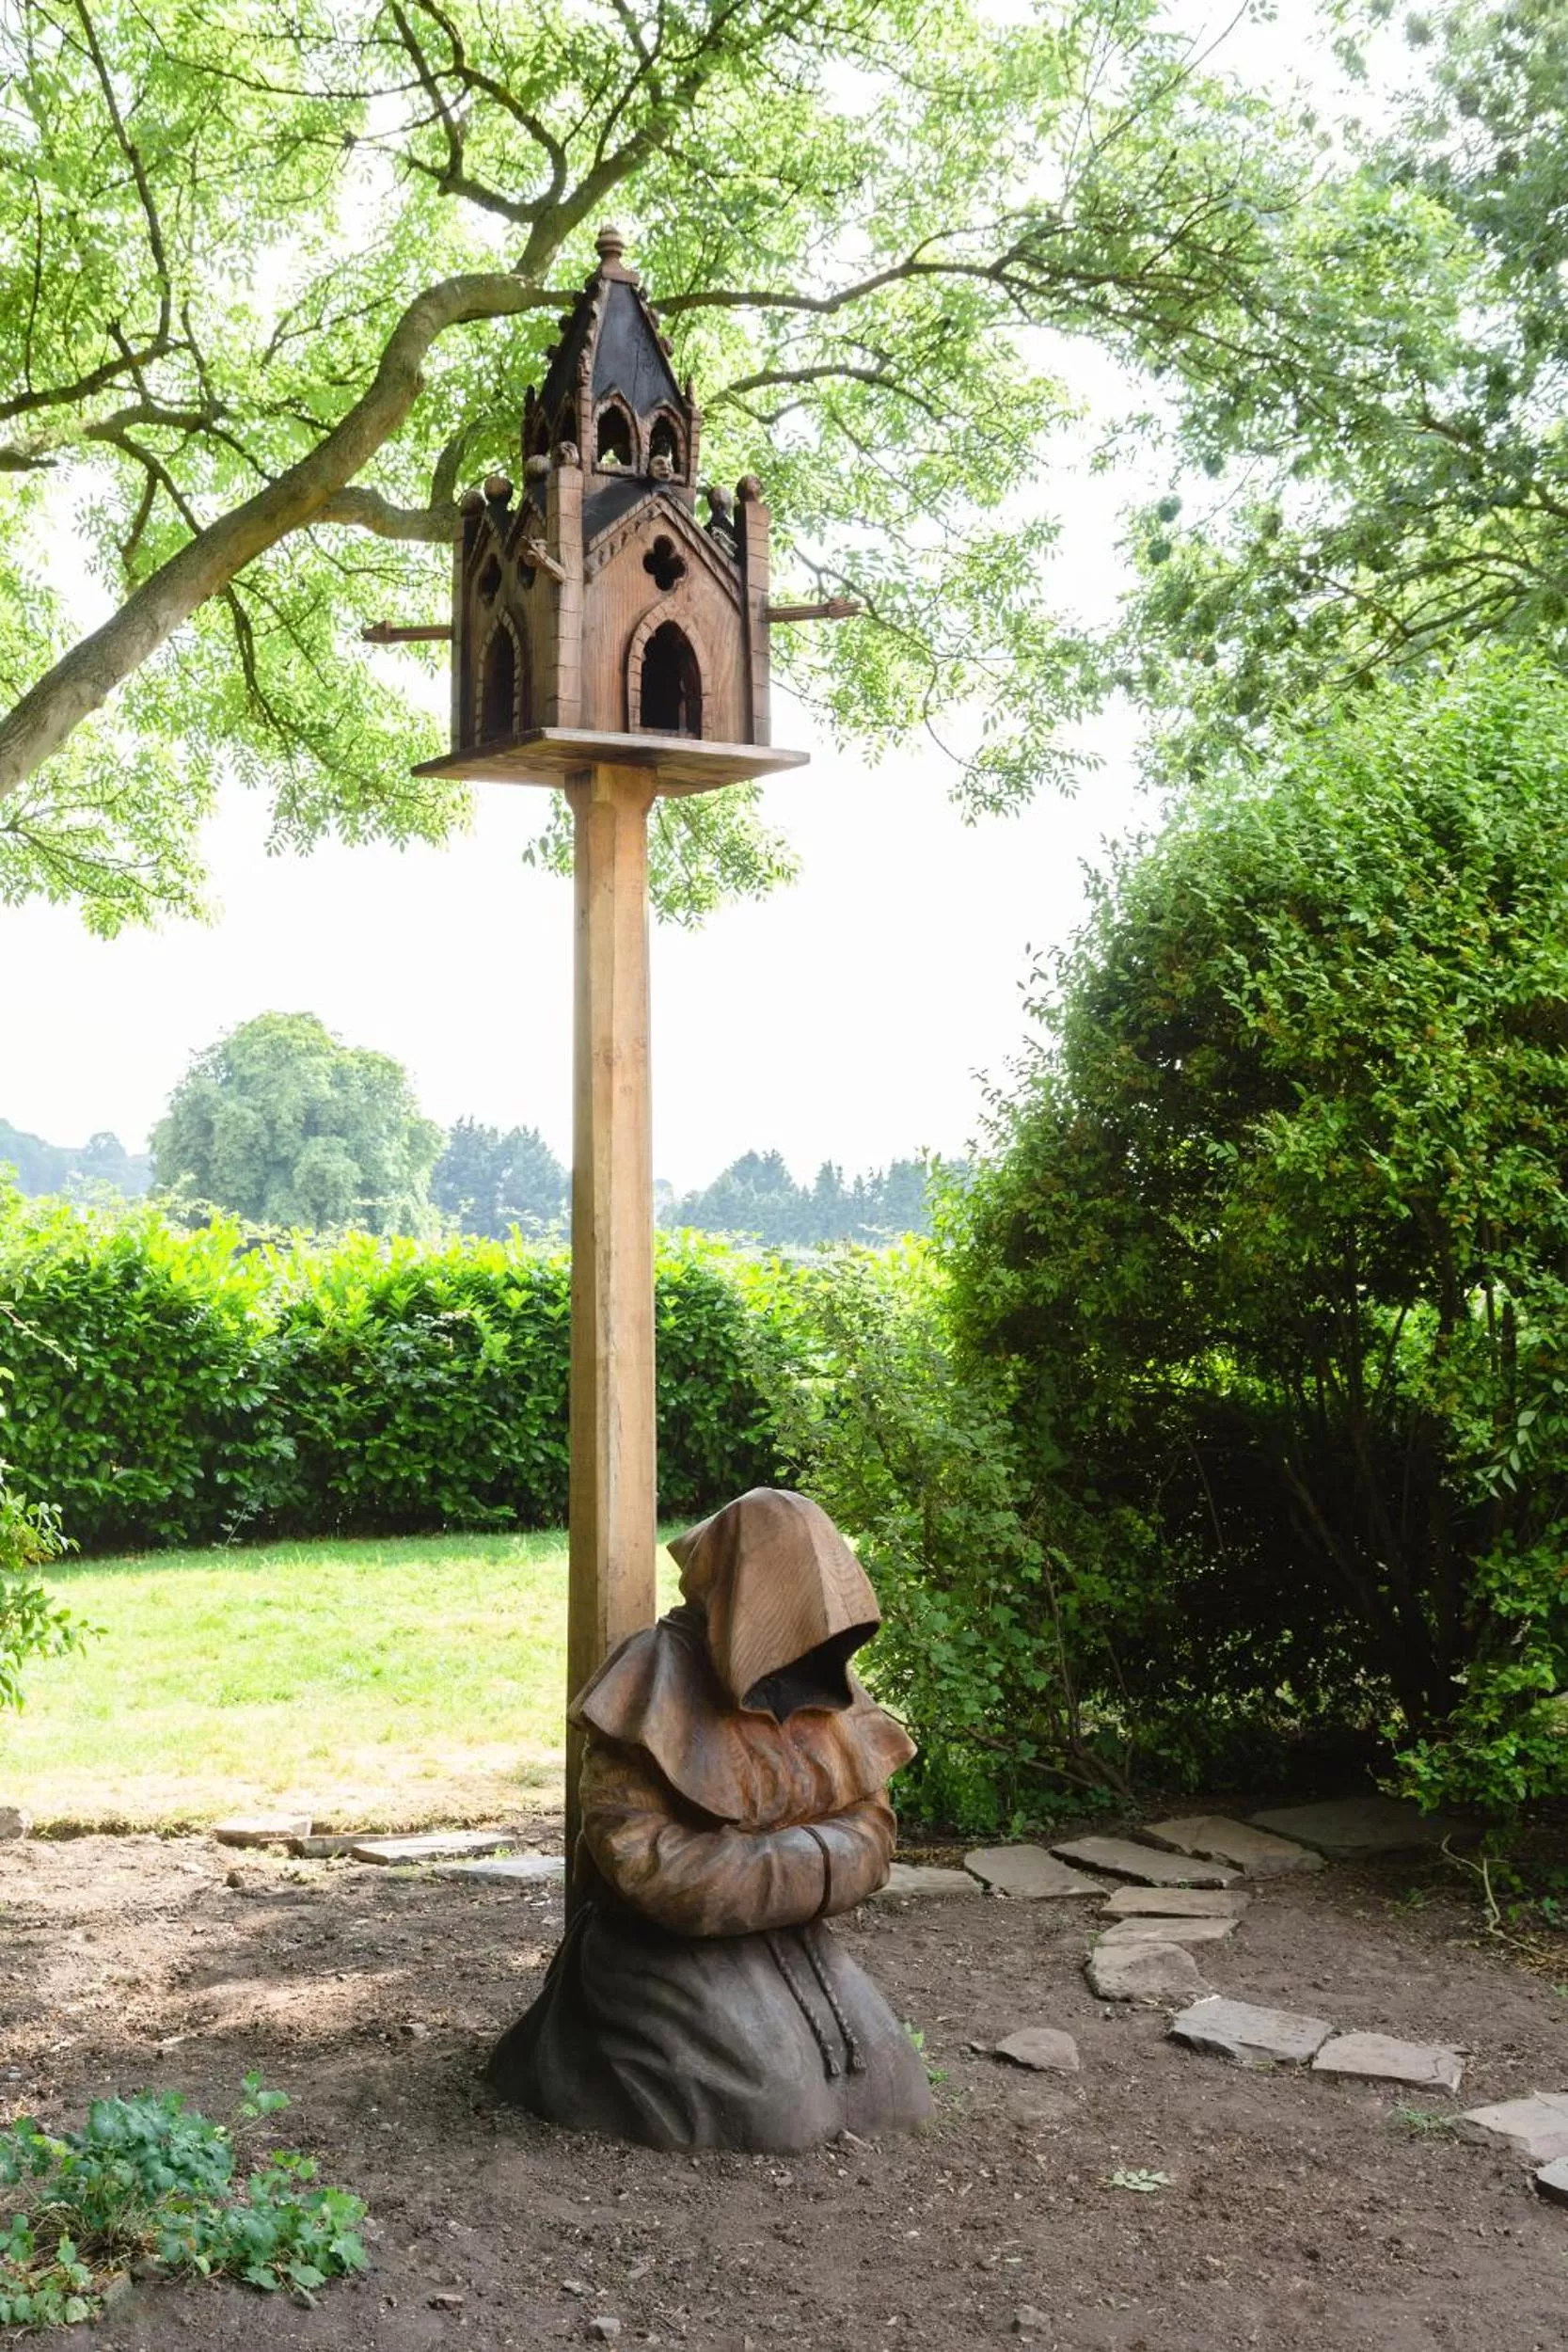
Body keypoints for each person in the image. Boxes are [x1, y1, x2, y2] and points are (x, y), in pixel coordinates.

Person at [484, 1487, 933, 2151]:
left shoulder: (820, 1682)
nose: (808, 1645)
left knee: (894, 2093)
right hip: (657, 1952)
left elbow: (872, 1826)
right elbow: (646, 1863)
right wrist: (814, 1856)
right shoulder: (647, 1685)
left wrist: (778, 1858)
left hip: (790, 1943)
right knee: (773, 2115)